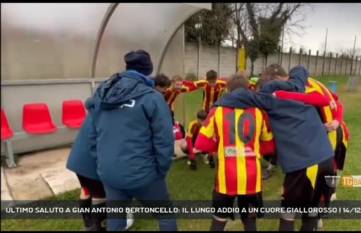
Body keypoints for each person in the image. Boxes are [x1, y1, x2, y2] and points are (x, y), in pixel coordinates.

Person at [215, 65, 335, 231]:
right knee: (312, 212)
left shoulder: (267, 97)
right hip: (327, 159)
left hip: (301, 163)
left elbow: (240, 96)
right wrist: (292, 80)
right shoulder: (298, 86)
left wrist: (218, 103)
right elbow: (301, 70)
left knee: (288, 214)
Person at [86, 50, 177, 231]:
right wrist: (161, 169)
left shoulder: (102, 94)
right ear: (148, 70)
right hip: (143, 174)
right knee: (166, 215)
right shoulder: (152, 98)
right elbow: (165, 140)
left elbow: (92, 133)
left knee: (116, 219)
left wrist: (101, 163)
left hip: (110, 172)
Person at [195, 74, 275, 231]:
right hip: (251, 177)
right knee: (250, 221)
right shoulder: (259, 111)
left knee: (219, 221)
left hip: (227, 178)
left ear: (228, 89)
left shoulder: (217, 110)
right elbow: (269, 144)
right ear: (249, 88)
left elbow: (201, 143)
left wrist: (221, 147)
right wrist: (252, 150)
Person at [66, 115, 107, 231]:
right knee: (100, 196)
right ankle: (98, 227)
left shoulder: (99, 104)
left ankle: (89, 225)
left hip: (78, 157)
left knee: (86, 190)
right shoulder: (116, 109)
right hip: (91, 160)